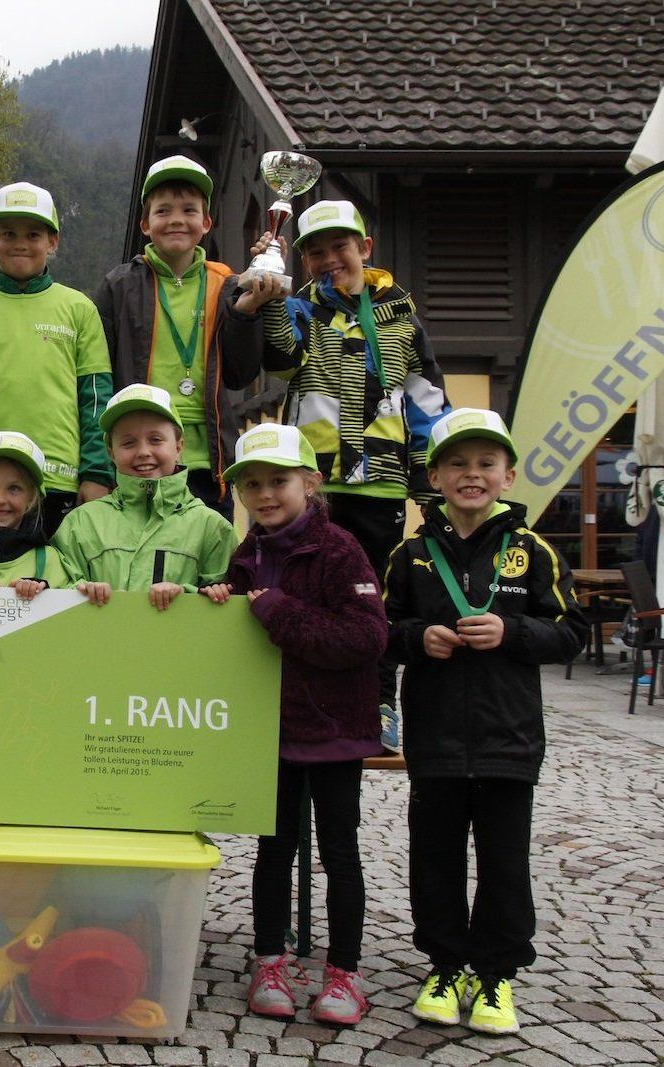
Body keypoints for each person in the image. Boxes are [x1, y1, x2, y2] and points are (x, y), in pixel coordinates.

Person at [383, 408, 586, 1035]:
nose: (472, 474)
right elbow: (382, 633)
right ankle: (445, 965)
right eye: (458, 464)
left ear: (508, 475)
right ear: (436, 476)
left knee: (505, 861)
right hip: (435, 736)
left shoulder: (534, 550)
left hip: (509, 737)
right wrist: (420, 640)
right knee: (435, 857)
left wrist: (513, 631)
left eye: (485, 464)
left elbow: (573, 631)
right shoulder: (411, 554)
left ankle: (497, 975)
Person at [231, 198, 452, 754]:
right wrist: (274, 296)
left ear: (365, 249)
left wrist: (429, 485)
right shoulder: (302, 308)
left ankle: (377, 706)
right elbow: (281, 360)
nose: (330, 259)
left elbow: (427, 401)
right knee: (299, 594)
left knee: (369, 600)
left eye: (340, 247)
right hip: (313, 486)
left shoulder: (402, 313)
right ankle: (287, 701)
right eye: (315, 252)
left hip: (379, 479)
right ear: (302, 260)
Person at [201, 423, 387, 1026]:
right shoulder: (248, 554)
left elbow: (364, 637)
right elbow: (239, 629)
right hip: (270, 730)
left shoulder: (341, 550)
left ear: (311, 482)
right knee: (273, 850)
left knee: (341, 853)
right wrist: (220, 601)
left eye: (278, 481)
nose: (265, 494)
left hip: (334, 729)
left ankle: (345, 972)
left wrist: (275, 610)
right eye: (252, 484)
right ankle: (270, 959)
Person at [93, 155, 274, 517]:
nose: (177, 219)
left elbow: (240, 375)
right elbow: (99, 378)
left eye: (189, 210)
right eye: (163, 211)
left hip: (207, 459)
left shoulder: (229, 284)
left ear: (206, 222)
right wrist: (99, 462)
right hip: (138, 458)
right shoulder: (119, 285)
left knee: (208, 569)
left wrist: (246, 312)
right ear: (145, 224)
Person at [0, 182, 115, 536]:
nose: (20, 243)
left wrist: (96, 473)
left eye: (33, 234)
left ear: (53, 241)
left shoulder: (79, 308)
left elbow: (96, 400)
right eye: (9, 233)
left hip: (60, 481)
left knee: (59, 586)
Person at [53, 384, 235, 609]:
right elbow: (56, 591)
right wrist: (81, 592)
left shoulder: (212, 527)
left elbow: (226, 603)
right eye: (128, 443)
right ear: (111, 452)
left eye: (156, 440)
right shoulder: (80, 523)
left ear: (179, 446)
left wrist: (188, 595)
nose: (143, 452)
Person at [0, 431, 70, 600]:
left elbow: (74, 603)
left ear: (31, 498)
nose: (0, 499)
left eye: (14, 488)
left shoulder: (49, 559)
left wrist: (44, 593)